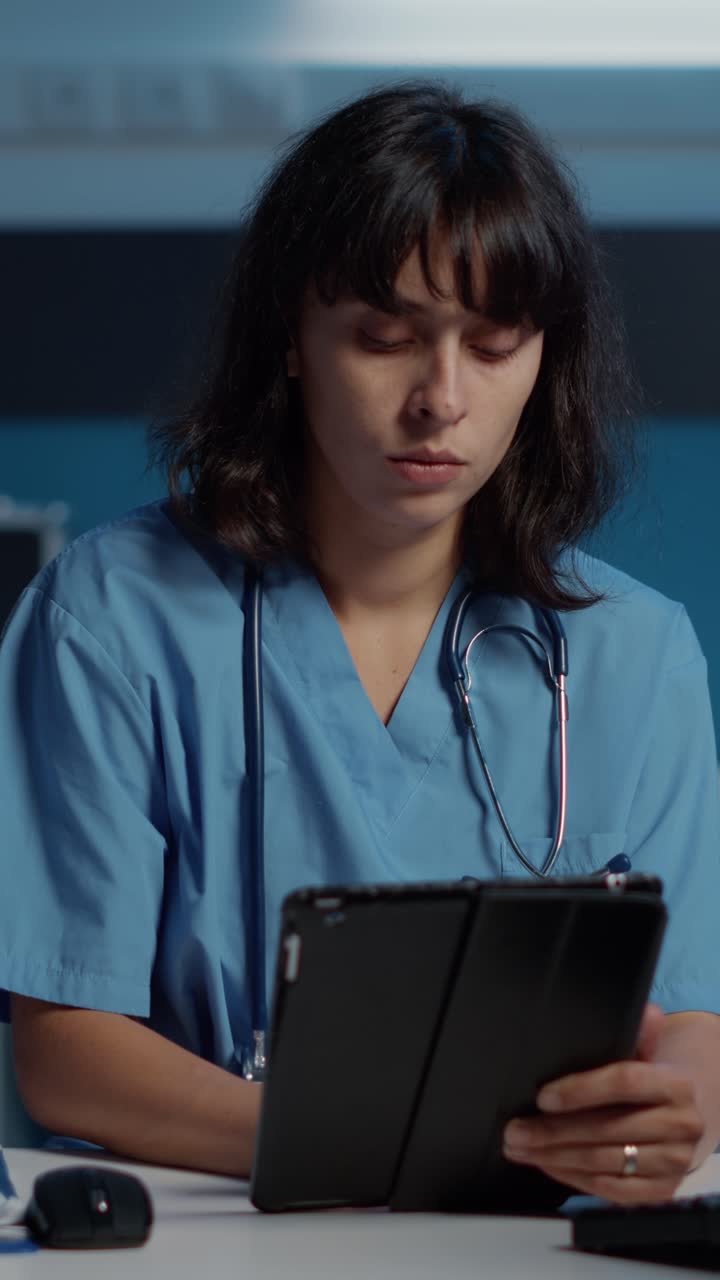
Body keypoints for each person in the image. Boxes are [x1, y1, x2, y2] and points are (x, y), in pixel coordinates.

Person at [1, 80, 719, 1207]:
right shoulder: (111, 619)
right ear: (292, 336)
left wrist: (662, 1118)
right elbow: (66, 1048)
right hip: (221, 1238)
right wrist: (375, 1135)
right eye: (385, 337)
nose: (442, 398)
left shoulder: (636, 657)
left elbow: (687, 1023)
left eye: (495, 344)